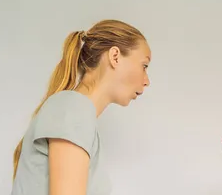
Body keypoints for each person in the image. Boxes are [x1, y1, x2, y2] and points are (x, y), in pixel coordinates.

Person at [11, 19, 152, 195]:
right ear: (115, 56)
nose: (147, 81)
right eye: (144, 66)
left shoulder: (75, 113)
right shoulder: (73, 109)